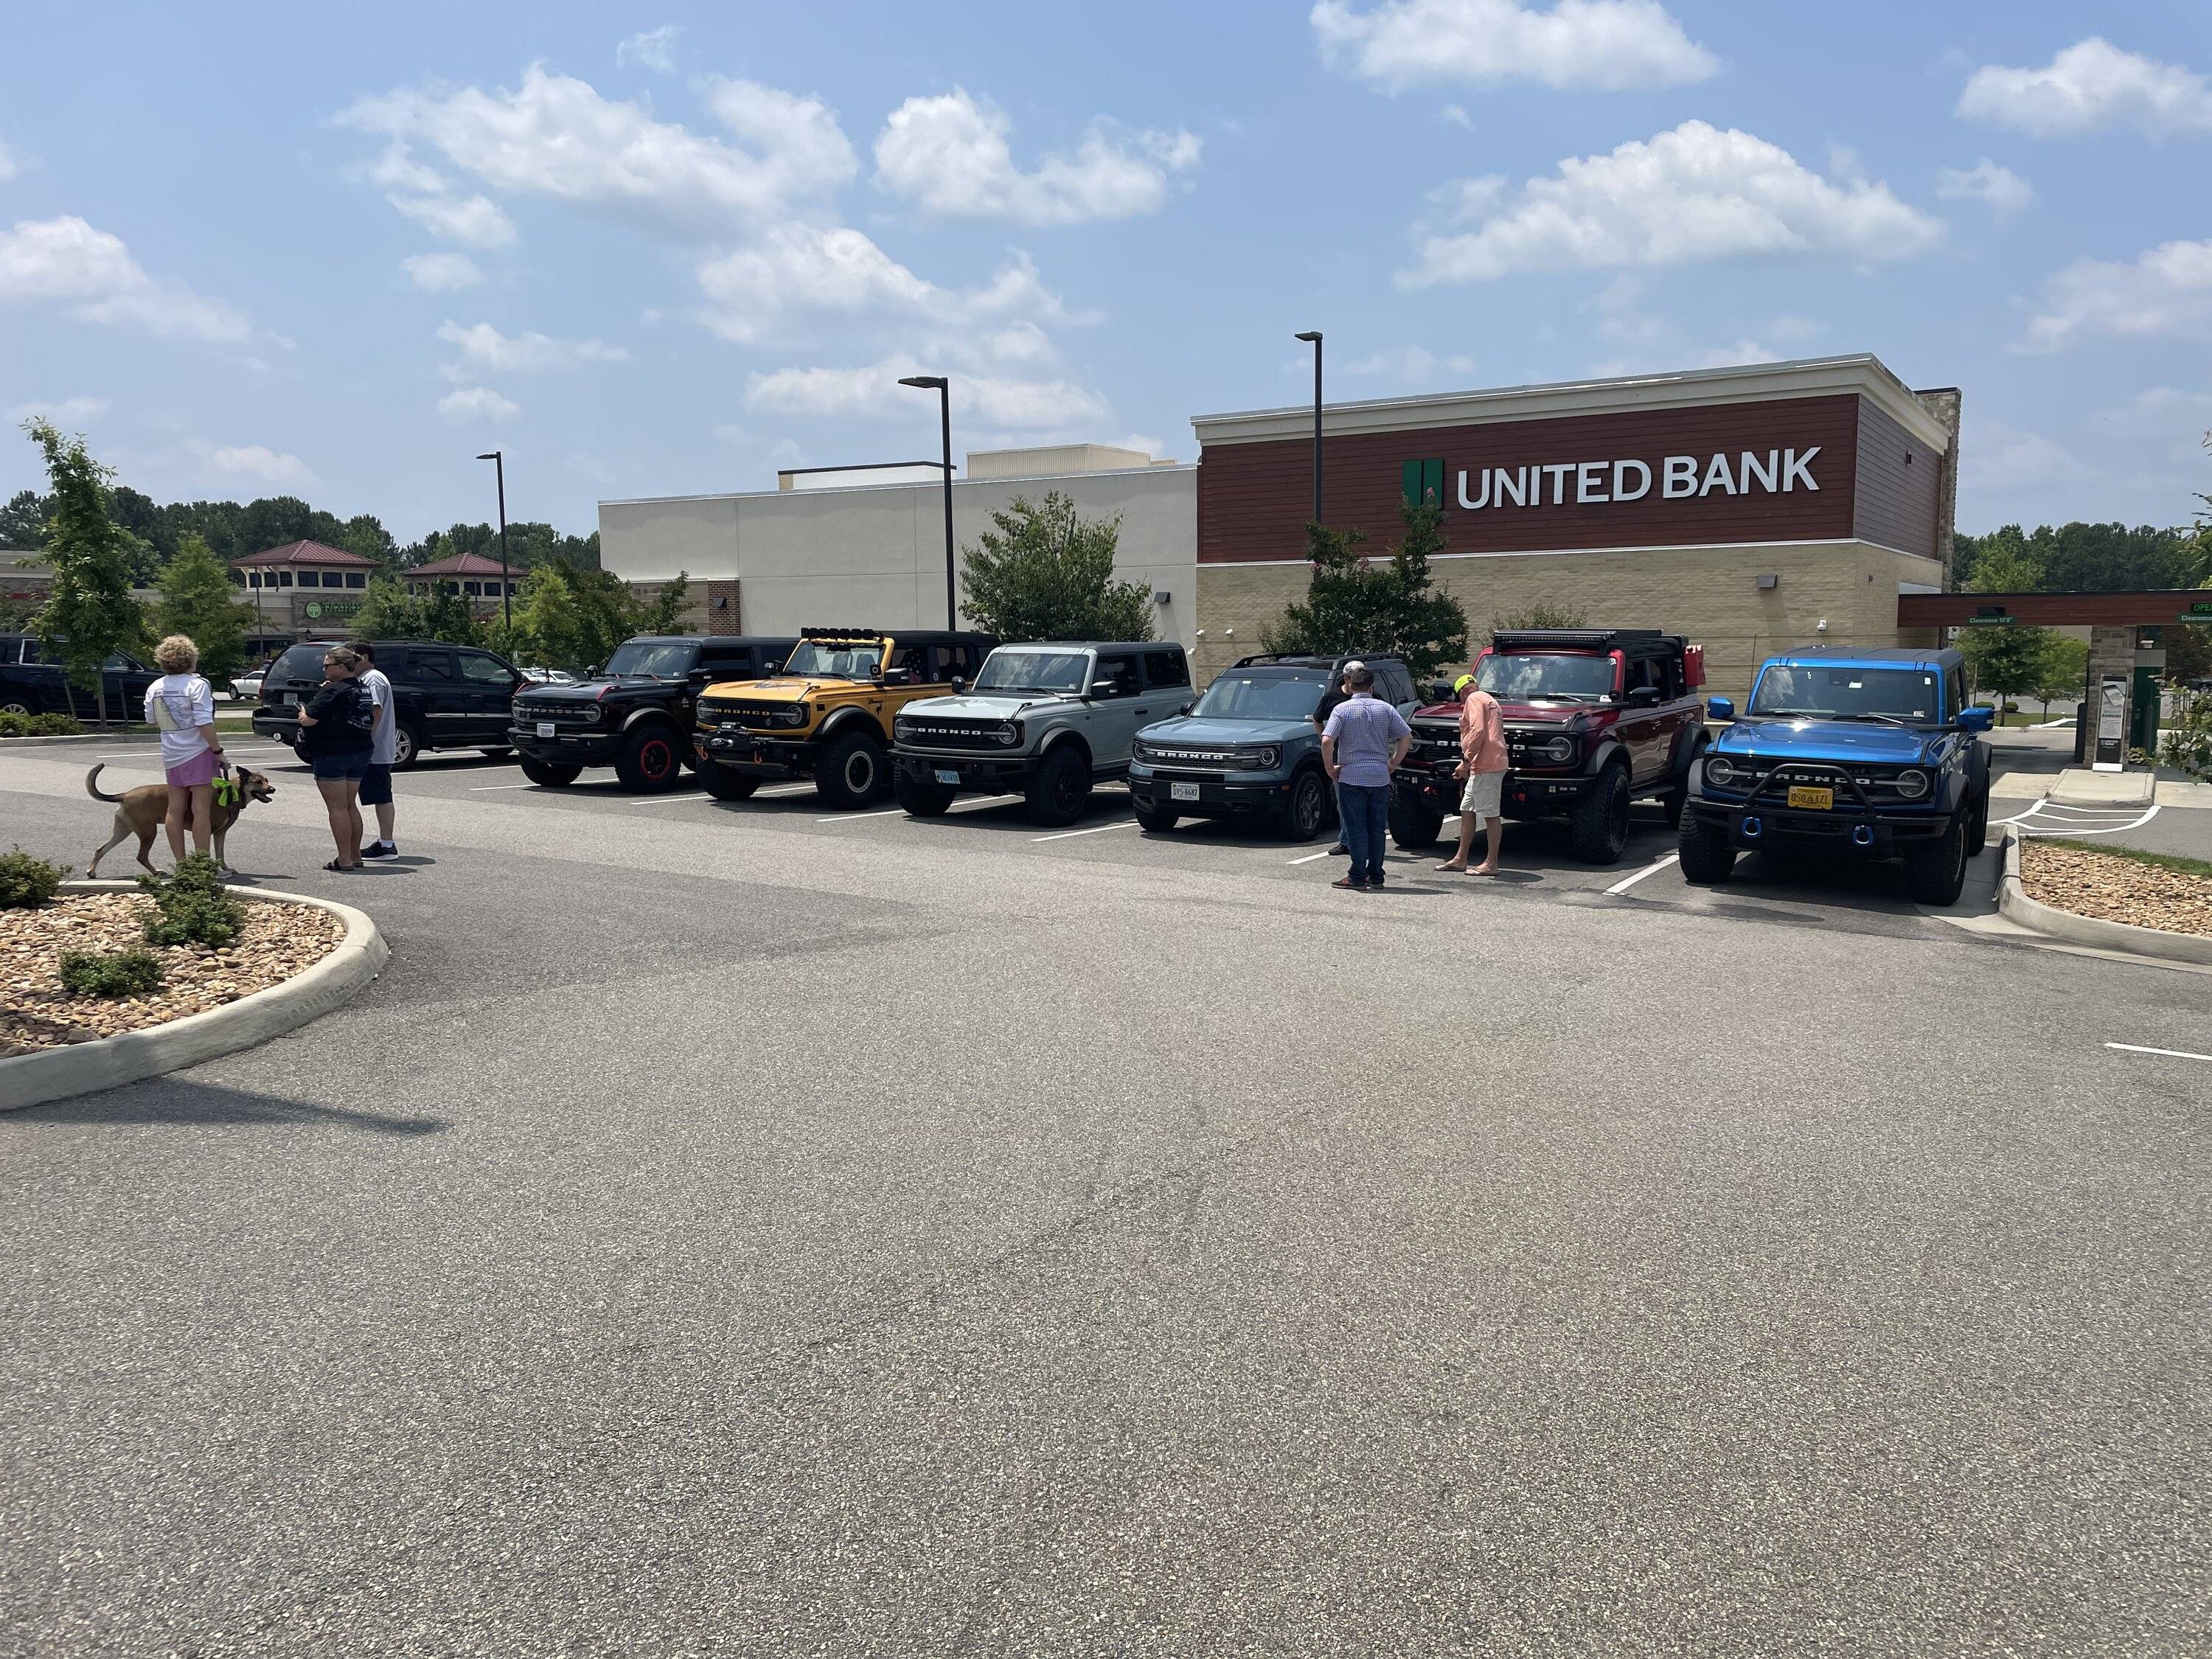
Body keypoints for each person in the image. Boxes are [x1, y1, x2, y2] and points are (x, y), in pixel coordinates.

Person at [1320, 663, 1411, 891]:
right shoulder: (1386, 709)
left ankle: (1357, 876)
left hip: (1351, 776)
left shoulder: (1341, 710)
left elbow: (1327, 740)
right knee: (1377, 829)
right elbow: (1406, 737)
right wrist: (1393, 762)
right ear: (1371, 687)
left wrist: (1330, 768)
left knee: (1356, 829)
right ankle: (1376, 875)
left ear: (1350, 686)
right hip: (1379, 776)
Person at [143, 634, 227, 869]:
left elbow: (151, 720)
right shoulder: (197, 685)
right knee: (201, 810)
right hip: (197, 751)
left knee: (175, 809)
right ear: (190, 659)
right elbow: (204, 722)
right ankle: (202, 865)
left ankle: (182, 864)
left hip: (171, 753)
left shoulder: (155, 687)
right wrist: (218, 751)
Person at [294, 645, 375, 872]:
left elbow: (310, 719)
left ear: (341, 667)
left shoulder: (332, 690)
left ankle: (344, 859)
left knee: (337, 808)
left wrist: (302, 712)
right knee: (350, 805)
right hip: (361, 751)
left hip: (332, 753)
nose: (324, 669)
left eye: (327, 665)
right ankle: (355, 855)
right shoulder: (363, 688)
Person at [1439, 671, 1509, 875]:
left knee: (1491, 814)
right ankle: (1460, 859)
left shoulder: (1474, 699)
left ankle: (1491, 864)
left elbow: (1477, 730)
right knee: (1467, 809)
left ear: (1461, 692)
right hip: (1485, 763)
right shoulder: (1489, 699)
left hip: (1487, 764)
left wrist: (1466, 761)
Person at [348, 639, 399, 859]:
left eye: (353, 658)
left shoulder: (372, 679)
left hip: (375, 751)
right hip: (376, 750)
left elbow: (375, 710)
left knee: (382, 796)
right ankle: (385, 843)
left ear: (365, 657)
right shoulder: (368, 678)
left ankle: (387, 845)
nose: (350, 663)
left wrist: (365, 740)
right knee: (380, 795)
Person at [1312, 666, 1354, 857]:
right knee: (1343, 803)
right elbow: (1317, 718)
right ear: (1346, 678)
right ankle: (1346, 841)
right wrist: (1324, 738)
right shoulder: (1332, 698)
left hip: (1363, 758)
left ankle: (1360, 842)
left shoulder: (1373, 698)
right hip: (1340, 757)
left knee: (1364, 803)